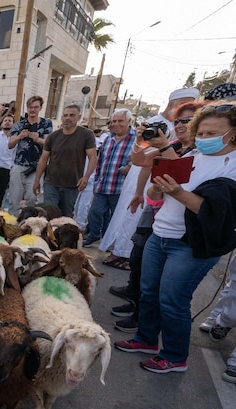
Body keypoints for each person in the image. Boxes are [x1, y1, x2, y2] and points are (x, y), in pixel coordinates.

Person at [114, 102, 236, 373]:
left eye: (213, 133)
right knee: (149, 293)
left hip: (191, 245)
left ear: (233, 132)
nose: (205, 139)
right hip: (161, 234)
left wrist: (177, 192)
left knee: (172, 300)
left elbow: (214, 213)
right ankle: (146, 339)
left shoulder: (233, 167)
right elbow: (154, 176)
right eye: (201, 133)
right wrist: (158, 190)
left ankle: (174, 356)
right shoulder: (194, 153)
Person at [110, 101, 204, 334]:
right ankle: (137, 309)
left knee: (167, 291)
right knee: (139, 261)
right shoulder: (173, 145)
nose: (181, 125)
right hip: (156, 213)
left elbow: (182, 176)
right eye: (178, 121)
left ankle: (148, 325)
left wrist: (163, 148)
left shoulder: (201, 152)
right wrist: (140, 142)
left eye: (188, 121)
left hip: (180, 230)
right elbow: (141, 161)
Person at [33, 104, 97, 218]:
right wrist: (37, 180)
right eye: (65, 115)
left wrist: (86, 177)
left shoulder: (86, 135)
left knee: (65, 216)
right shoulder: (53, 137)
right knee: (48, 214)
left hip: (72, 185)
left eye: (72, 115)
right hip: (51, 183)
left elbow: (93, 157)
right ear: (62, 117)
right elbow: (43, 159)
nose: (68, 118)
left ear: (78, 117)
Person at [84, 109, 136, 247]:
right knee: (94, 212)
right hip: (103, 185)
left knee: (115, 218)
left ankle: (109, 241)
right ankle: (94, 235)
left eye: (120, 121)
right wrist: (96, 180)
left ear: (129, 122)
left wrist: (129, 166)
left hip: (120, 187)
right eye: (114, 121)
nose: (116, 124)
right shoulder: (108, 139)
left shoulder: (136, 139)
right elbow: (100, 160)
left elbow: (141, 159)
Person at [8, 95, 53, 215]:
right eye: (30, 107)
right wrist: (19, 136)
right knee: (14, 199)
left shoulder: (46, 123)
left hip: (36, 167)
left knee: (32, 198)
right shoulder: (19, 124)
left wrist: (37, 139)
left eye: (35, 107)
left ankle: (27, 222)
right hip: (19, 165)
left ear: (40, 108)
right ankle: (12, 224)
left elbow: (49, 144)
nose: (32, 110)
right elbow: (10, 144)